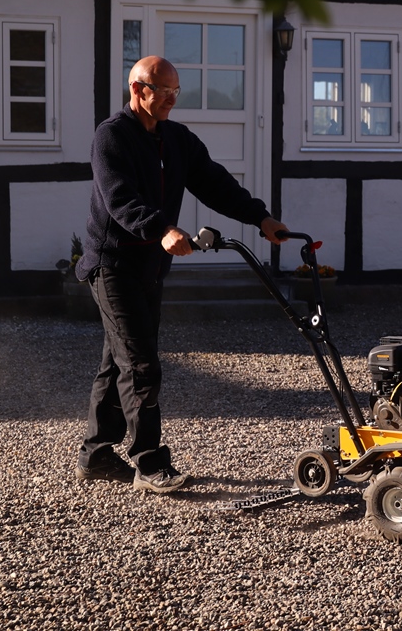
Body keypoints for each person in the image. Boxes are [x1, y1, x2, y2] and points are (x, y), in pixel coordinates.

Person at [74, 55, 288, 493]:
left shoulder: (177, 139)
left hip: (150, 268)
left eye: (176, 91)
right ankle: (149, 464)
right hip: (113, 265)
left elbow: (214, 182)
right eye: (164, 91)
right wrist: (162, 229)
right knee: (141, 364)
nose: (172, 99)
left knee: (118, 362)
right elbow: (120, 198)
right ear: (138, 90)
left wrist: (260, 218)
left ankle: (96, 455)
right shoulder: (111, 136)